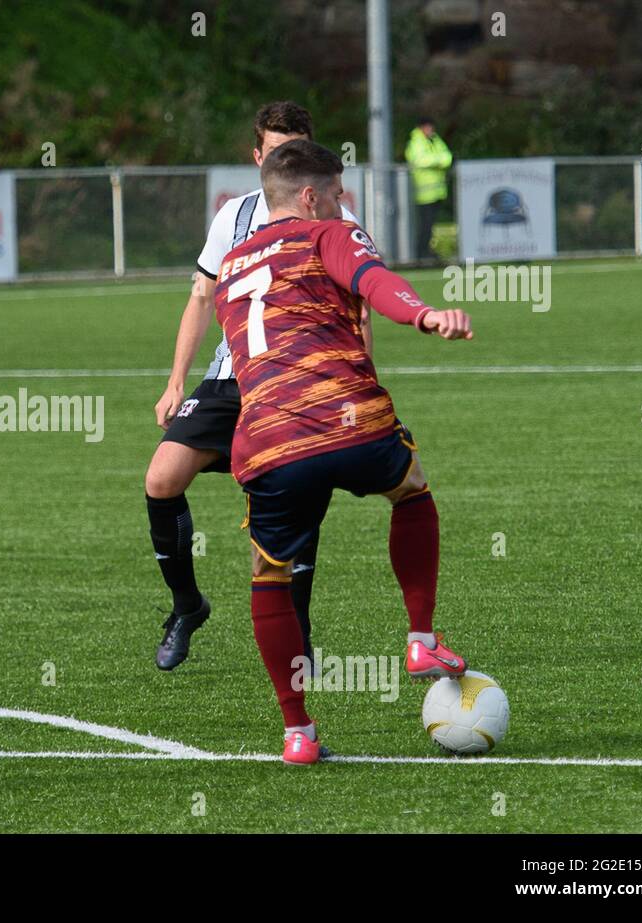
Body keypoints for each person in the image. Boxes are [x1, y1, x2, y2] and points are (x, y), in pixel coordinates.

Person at [213, 139, 473, 764]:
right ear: (309, 196)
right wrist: (425, 315)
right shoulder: (325, 234)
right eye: (335, 194)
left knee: (270, 575)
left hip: (268, 441)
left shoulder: (229, 266)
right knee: (411, 492)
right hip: (348, 420)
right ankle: (419, 639)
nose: (341, 205)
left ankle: (297, 734)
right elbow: (375, 282)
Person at [145, 102, 371, 672]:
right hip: (230, 377)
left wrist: (357, 381)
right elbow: (201, 297)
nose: (284, 161)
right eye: (275, 151)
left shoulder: (336, 223)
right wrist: (175, 383)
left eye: (295, 151)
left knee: (286, 512)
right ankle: (187, 606)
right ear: (258, 156)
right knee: (162, 478)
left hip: (297, 382)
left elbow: (359, 309)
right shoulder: (234, 216)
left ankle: (297, 635)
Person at [405, 117, 452, 261]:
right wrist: (438, 161)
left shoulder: (435, 140)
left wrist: (436, 160)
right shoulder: (415, 142)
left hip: (436, 192)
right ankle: (421, 253)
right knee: (424, 225)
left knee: (430, 225)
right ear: (421, 128)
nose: (431, 130)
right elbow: (420, 161)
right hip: (422, 194)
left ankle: (426, 252)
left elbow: (448, 157)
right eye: (428, 127)